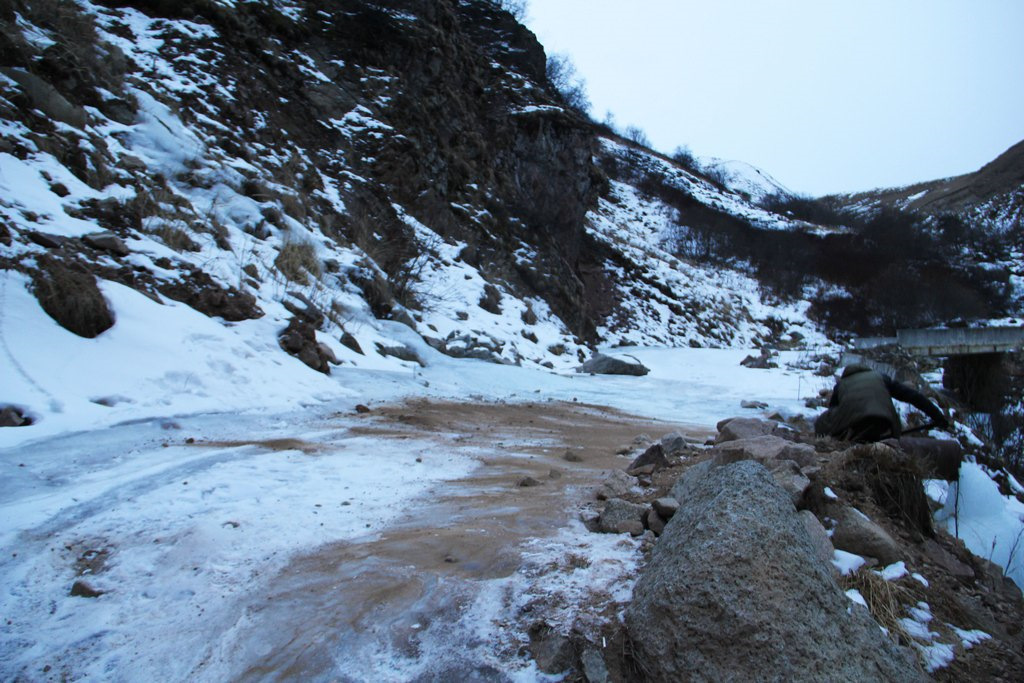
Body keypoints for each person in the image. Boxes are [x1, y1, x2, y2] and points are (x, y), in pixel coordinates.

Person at [814, 364, 949, 442]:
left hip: (854, 425)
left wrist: (827, 435)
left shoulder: (841, 384)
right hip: (885, 422)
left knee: (823, 420)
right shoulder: (880, 378)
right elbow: (913, 396)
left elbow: (832, 412)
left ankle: (827, 443)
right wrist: (938, 417)